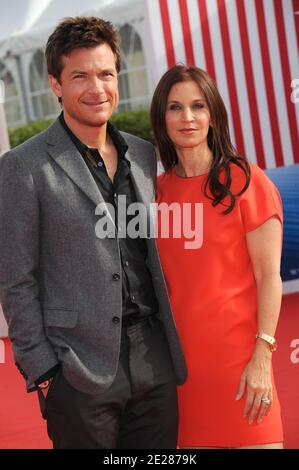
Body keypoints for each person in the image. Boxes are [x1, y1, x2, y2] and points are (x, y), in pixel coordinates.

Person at [0, 17, 187, 449]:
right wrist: (44, 373)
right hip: (77, 369)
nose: (96, 88)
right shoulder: (24, 166)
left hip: (154, 359)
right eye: (80, 75)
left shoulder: (143, 154)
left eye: (105, 74)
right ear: (55, 84)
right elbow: (15, 278)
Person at [150, 64, 284, 449]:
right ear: (162, 117)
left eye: (198, 106)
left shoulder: (246, 181)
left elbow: (268, 277)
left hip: (244, 370)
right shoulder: (154, 195)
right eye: (175, 107)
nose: (187, 117)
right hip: (181, 379)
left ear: (213, 115)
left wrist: (263, 357)